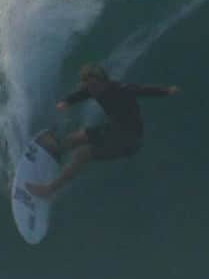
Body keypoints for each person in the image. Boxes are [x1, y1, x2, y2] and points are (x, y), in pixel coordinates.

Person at [26, 62, 181, 199]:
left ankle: (48, 190)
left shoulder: (121, 89)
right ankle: (51, 160)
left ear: (102, 80)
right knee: (73, 139)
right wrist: (66, 102)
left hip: (130, 139)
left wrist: (167, 91)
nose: (91, 90)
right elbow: (81, 94)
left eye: (93, 86)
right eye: (88, 86)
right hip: (113, 129)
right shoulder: (94, 89)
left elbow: (143, 90)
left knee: (82, 154)